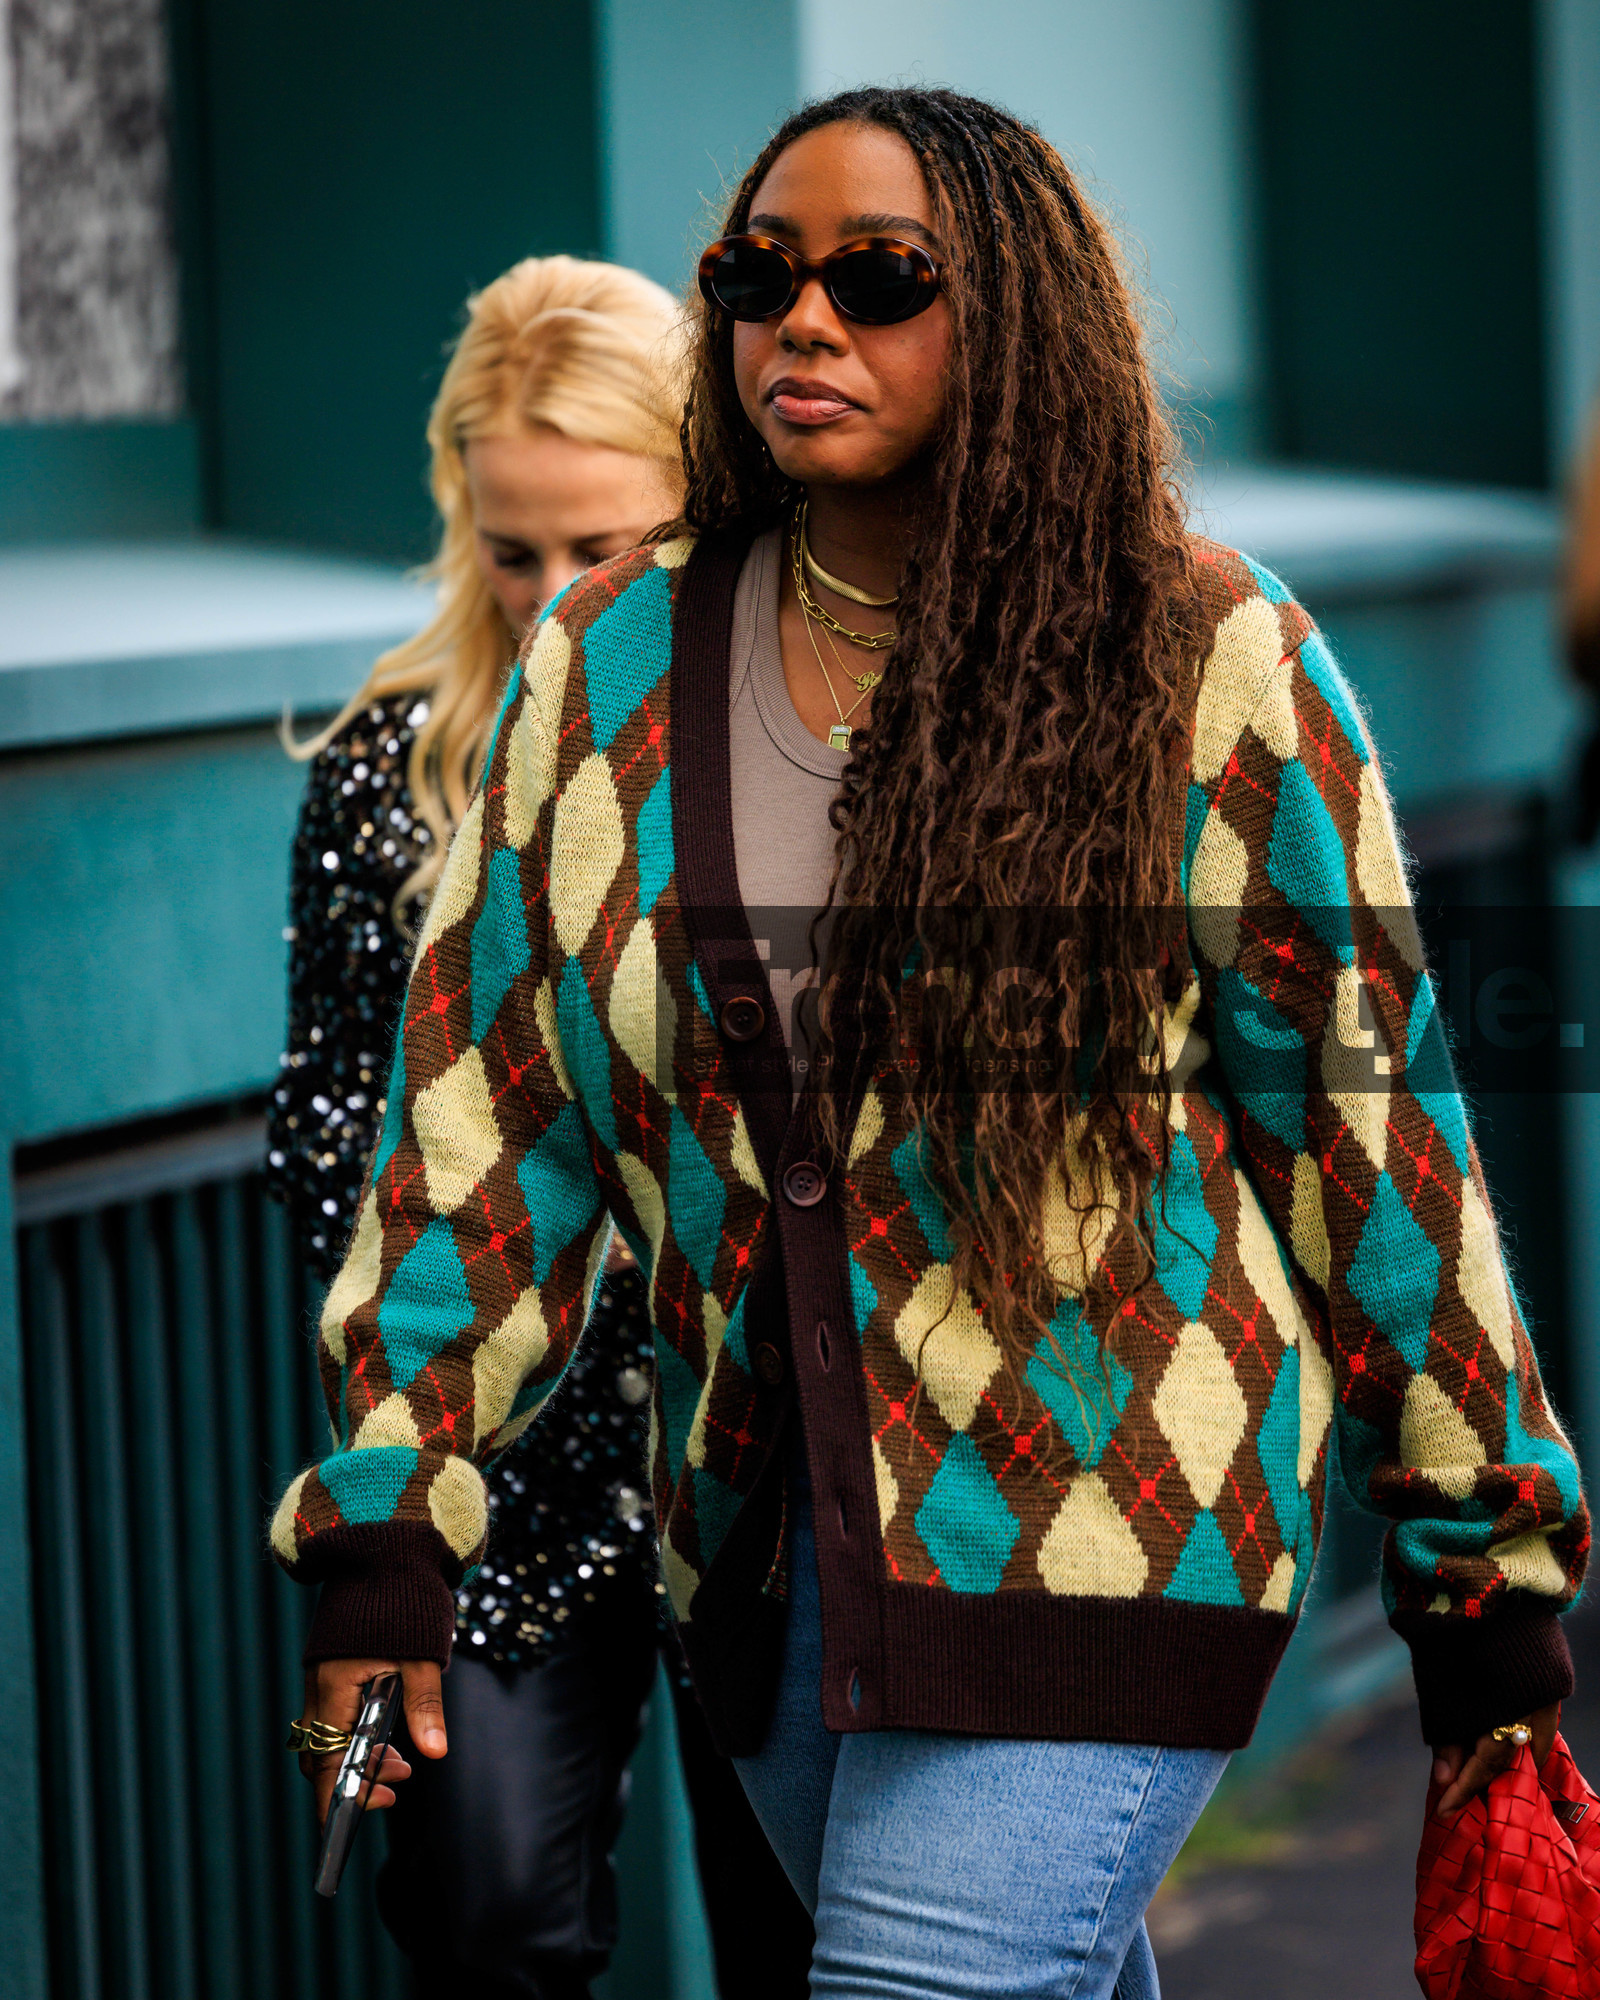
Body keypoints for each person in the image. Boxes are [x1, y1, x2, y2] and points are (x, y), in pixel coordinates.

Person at [274, 90, 1589, 1998]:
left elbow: (1372, 1135)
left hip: (1115, 1533)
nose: (805, 322)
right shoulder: (612, 665)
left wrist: (1489, 1573)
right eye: (760, 276)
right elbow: (484, 1123)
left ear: (1019, 319)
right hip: (775, 1566)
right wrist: (386, 1529)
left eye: (881, 279)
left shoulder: (1208, 653)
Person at [267, 253, 811, 1999]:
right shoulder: (386, 771)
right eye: (513, 551)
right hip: (501, 1465)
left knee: (813, 1945)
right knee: (488, 1921)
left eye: (603, 548)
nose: (554, 596)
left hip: (764, 1450)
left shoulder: (793, 747)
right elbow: (340, 1158)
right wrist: (387, 1503)